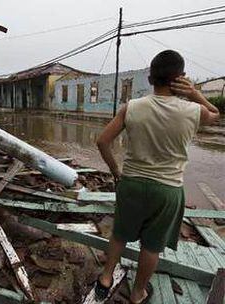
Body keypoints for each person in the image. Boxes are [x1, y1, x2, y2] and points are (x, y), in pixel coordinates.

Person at [94, 50, 220, 303]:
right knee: (151, 247)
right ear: (181, 78)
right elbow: (216, 114)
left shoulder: (132, 108)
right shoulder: (193, 111)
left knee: (119, 234)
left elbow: (102, 141)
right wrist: (195, 94)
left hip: (132, 183)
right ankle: (138, 292)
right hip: (168, 190)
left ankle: (106, 278)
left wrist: (116, 171)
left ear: (150, 79)